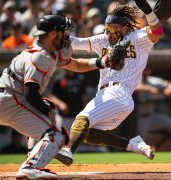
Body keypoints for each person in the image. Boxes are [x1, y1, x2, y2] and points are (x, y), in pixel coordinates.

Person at [0, 14, 119, 179]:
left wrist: (102, 62)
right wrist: (46, 113)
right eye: (63, 31)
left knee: (48, 108)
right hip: (9, 100)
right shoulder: (39, 56)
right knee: (56, 135)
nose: (67, 35)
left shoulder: (52, 52)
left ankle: (32, 158)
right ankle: (29, 167)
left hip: (9, 99)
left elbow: (76, 64)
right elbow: (30, 94)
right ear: (52, 34)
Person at [55, 2, 164, 165]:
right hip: (109, 96)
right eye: (108, 28)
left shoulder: (137, 38)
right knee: (88, 134)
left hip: (119, 92)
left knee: (82, 119)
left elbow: (157, 31)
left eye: (115, 29)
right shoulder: (103, 40)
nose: (110, 33)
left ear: (126, 28)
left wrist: (148, 11)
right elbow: (76, 42)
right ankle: (132, 144)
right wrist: (56, 36)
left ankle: (68, 151)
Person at [135, 65, 171, 151]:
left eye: (147, 69)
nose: (145, 71)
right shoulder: (134, 79)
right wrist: (149, 89)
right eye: (144, 68)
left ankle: (157, 147)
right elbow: (134, 87)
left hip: (151, 116)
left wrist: (169, 89)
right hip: (137, 119)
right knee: (137, 143)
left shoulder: (153, 80)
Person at [49, 69, 88, 134]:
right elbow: (52, 96)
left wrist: (85, 111)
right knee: (61, 138)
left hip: (77, 116)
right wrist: (61, 104)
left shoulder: (81, 79)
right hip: (63, 117)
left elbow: (84, 96)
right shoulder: (59, 79)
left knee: (75, 140)